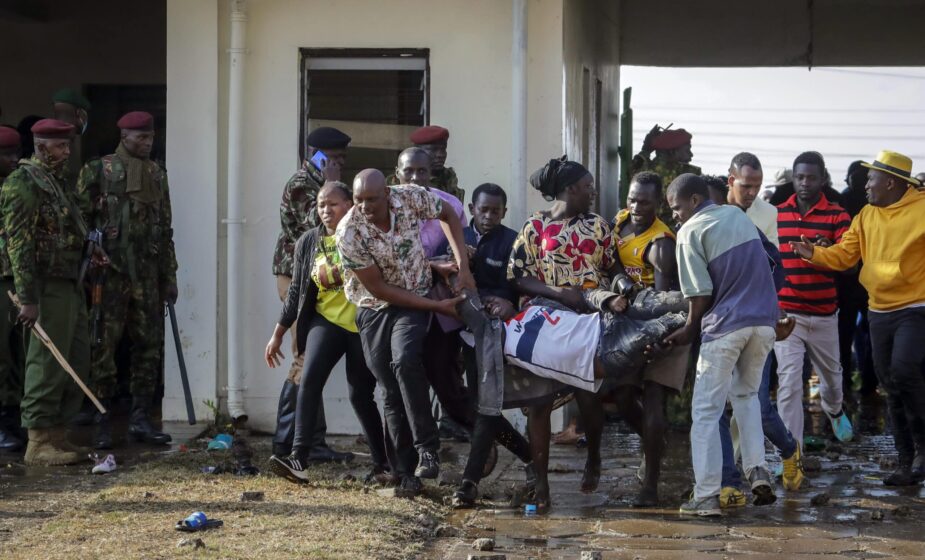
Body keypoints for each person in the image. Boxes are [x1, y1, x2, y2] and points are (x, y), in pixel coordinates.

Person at [335, 169, 475, 496]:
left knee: (405, 361)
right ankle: (404, 471)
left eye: (372, 198)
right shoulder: (348, 233)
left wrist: (462, 268)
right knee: (388, 386)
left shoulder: (410, 196)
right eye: (359, 200)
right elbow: (380, 288)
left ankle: (428, 448)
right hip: (375, 305)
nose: (365, 206)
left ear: (387, 192)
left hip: (416, 296)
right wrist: (439, 308)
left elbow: (449, 214)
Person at [790, 150, 925, 486]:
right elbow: (846, 254)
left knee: (905, 371)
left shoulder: (922, 211)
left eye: (872, 178)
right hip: (879, 309)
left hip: (915, 307)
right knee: (889, 385)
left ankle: (923, 448)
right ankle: (906, 462)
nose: (866, 185)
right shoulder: (866, 215)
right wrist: (815, 254)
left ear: (891, 182)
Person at [508, 156, 632, 509]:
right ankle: (542, 484)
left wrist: (621, 285)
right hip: (547, 319)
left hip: (590, 318)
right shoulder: (534, 226)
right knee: (538, 403)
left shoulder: (598, 226)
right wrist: (558, 293)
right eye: (588, 186)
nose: (593, 191)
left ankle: (593, 454)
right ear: (568, 189)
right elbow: (518, 275)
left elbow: (614, 268)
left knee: (588, 396)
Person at [664, 173, 779, 516]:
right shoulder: (736, 215)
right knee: (746, 397)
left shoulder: (689, 233)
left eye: (676, 207)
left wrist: (687, 329)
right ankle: (758, 470)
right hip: (763, 323)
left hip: (726, 328)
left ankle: (706, 495)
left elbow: (699, 295)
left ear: (695, 201)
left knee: (705, 412)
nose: (675, 215)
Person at [266, 182, 390, 484]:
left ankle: (382, 463)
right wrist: (278, 333)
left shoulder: (364, 235)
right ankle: (299, 458)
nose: (325, 210)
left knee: (360, 395)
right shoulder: (309, 241)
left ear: (349, 205)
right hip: (326, 321)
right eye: (321, 205)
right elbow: (296, 291)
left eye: (332, 204)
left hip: (363, 323)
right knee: (308, 381)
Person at [76, 111, 176, 449]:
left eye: (150, 137)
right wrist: (88, 257)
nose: (147, 143)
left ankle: (140, 419)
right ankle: (103, 420)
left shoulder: (156, 174)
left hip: (146, 274)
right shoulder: (98, 170)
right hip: (110, 273)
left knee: (148, 347)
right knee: (103, 345)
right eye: (141, 138)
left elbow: (165, 229)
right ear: (124, 136)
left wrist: (169, 275)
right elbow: (79, 219)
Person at [0, 119, 93, 465]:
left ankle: (57, 434)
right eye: (60, 146)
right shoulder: (22, 183)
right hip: (43, 285)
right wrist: (27, 298)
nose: (66, 152)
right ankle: (38, 441)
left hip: (68, 280)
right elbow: (18, 245)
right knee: (47, 361)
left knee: (75, 358)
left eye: (67, 145)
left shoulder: (57, 183)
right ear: (40, 146)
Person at [706, 168, 803, 502]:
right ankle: (730, 482)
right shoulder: (689, 230)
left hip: (752, 326)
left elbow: (776, 270)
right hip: (714, 329)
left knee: (758, 407)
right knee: (717, 408)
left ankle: (790, 449)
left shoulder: (746, 225)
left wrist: (767, 310)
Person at [270, 125, 352, 462]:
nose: (338, 164)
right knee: (305, 358)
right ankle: (291, 439)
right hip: (298, 280)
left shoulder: (320, 184)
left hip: (315, 280)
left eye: (342, 159)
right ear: (315, 155)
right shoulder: (303, 185)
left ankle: (304, 439)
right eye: (332, 158)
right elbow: (317, 226)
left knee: (309, 360)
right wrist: (328, 181)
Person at [452, 183, 535, 507]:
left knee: (486, 405)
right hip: (451, 327)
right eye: (483, 210)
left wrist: (508, 305)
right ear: (472, 208)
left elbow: (519, 287)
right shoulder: (457, 236)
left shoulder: (513, 241)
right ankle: (529, 456)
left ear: (504, 211)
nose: (488, 217)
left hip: (491, 333)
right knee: (472, 406)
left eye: (495, 211)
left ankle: (468, 483)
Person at [612, 171, 690, 507]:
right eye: (632, 199)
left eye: (644, 202)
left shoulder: (661, 244)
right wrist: (620, 284)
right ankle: (653, 443)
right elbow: (611, 264)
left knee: (654, 400)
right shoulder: (619, 223)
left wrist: (658, 340)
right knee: (623, 397)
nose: (636, 207)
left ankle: (651, 488)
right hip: (627, 324)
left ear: (657, 204)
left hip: (663, 325)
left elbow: (662, 299)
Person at [774, 152, 854, 451]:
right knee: (789, 384)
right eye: (799, 177)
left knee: (832, 381)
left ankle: (834, 410)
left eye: (811, 177)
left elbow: (850, 264)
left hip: (823, 314)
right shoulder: (777, 214)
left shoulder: (837, 215)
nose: (804, 183)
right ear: (793, 179)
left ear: (823, 180)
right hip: (787, 315)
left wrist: (827, 250)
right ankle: (790, 454)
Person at [394, 147, 471, 443]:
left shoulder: (449, 205)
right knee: (404, 372)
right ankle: (414, 444)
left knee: (445, 374)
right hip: (399, 302)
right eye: (408, 170)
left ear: (431, 172)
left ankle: (481, 430)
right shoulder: (384, 206)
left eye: (421, 171)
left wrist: (451, 265)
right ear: (397, 172)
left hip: (442, 305)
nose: (415, 177)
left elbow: (464, 251)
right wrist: (431, 263)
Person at [836, 161, 875, 396]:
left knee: (849, 333)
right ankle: (866, 381)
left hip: (854, 277)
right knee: (860, 333)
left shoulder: (846, 200)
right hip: (856, 277)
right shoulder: (872, 201)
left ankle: (851, 380)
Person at [0, 126, 26, 452]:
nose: (14, 159)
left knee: (17, 354)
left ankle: (13, 419)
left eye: (15, 153)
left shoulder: (17, 186)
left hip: (16, 278)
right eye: (7, 155)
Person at [387, 125, 464, 203]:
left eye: (443, 149)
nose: (440, 155)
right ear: (418, 152)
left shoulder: (448, 178)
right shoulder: (395, 182)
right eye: (434, 150)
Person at [726, 152, 778, 247]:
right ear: (731, 181)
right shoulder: (711, 204)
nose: (753, 193)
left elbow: (771, 258)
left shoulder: (769, 213)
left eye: (757, 186)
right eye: (746, 186)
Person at [631, 126, 701, 187]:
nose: (691, 154)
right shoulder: (690, 174)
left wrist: (645, 150)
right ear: (672, 152)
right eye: (687, 150)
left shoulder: (644, 170)